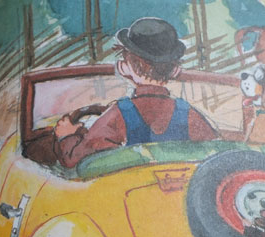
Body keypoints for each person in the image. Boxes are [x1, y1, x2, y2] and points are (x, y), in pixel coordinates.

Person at [54, 17, 218, 168]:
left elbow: (75, 158)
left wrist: (67, 136)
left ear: (124, 68)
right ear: (175, 70)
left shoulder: (118, 114)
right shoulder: (187, 113)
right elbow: (214, 151)